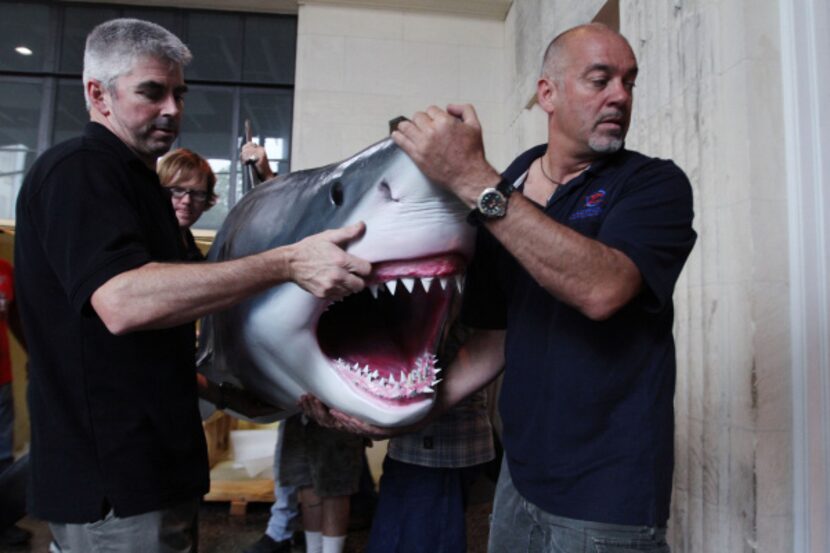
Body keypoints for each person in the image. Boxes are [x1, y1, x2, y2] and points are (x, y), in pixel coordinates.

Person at [306, 23, 696, 552]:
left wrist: (473, 179)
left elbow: (603, 289)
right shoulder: (510, 183)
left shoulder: (652, 184)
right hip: (521, 479)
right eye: (600, 79)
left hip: (608, 491)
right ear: (548, 93)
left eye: (629, 82)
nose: (620, 96)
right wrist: (393, 413)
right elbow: (493, 341)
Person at [14, 18, 370, 553]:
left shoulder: (139, 186)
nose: (173, 110)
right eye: (152, 93)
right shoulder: (80, 170)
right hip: (117, 489)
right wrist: (286, 263)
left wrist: (270, 399)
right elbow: (123, 302)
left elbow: (158, 353)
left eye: (179, 93)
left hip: (157, 475)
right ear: (98, 94)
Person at [365, 318, 495, 553]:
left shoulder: (451, 300)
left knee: (426, 539)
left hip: (437, 450)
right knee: (394, 538)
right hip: (413, 448)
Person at [0, 258, 31, 547]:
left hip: (2, 379)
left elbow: (16, 318)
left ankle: (3, 521)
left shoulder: (5, 270)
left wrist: (34, 355)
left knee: (3, 455)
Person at [157, 147, 219, 260]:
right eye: (178, 190)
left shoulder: (187, 242)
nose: (187, 200)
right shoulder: (147, 242)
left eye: (198, 193)